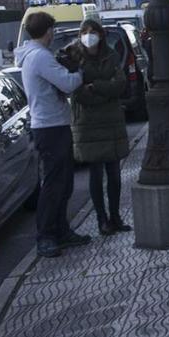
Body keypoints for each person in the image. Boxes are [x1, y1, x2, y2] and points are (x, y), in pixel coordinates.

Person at [16, 12, 90, 258]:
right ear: (47, 31)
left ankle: (61, 230)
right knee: (53, 184)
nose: (54, 34)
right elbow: (68, 84)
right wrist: (80, 72)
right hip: (50, 127)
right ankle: (46, 236)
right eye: (53, 30)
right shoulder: (39, 57)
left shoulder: (34, 55)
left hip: (52, 124)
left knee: (64, 183)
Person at [62, 20, 131, 236]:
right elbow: (79, 93)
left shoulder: (110, 54)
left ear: (101, 35)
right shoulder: (74, 57)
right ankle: (102, 219)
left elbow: (120, 84)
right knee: (95, 173)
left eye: (93, 32)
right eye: (85, 32)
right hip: (88, 123)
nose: (89, 35)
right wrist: (104, 90)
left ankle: (115, 217)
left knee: (114, 173)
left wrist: (97, 86)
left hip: (111, 121)